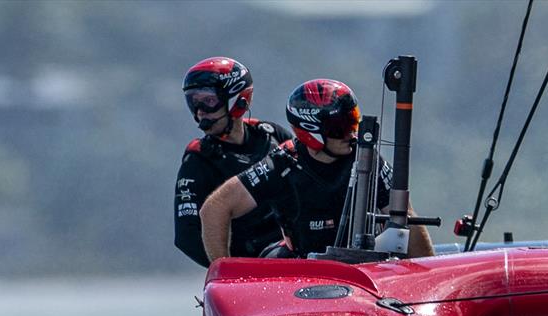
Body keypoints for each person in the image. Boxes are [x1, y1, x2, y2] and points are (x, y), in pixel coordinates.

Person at [200, 79, 435, 262]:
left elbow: (407, 221)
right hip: (301, 268)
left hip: (361, 268)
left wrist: (429, 284)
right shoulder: (281, 163)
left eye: (353, 122)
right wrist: (222, 273)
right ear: (311, 133)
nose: (352, 134)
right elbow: (215, 208)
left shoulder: (367, 157)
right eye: (341, 128)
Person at [174, 57, 292, 267]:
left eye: (208, 101)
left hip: (296, 259)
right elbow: (187, 237)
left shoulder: (272, 135)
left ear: (239, 100)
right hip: (248, 273)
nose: (200, 110)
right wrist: (231, 270)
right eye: (193, 101)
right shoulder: (198, 158)